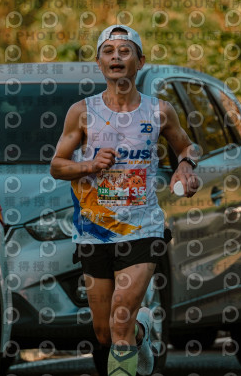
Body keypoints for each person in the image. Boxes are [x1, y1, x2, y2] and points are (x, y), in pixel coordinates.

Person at [50, 24, 200, 376]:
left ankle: (130, 338)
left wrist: (186, 168)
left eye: (124, 50)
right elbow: (57, 166)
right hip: (94, 231)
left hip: (142, 229)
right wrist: (89, 165)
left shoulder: (159, 111)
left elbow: (187, 147)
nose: (116, 56)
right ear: (99, 62)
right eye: (108, 51)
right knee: (104, 333)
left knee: (119, 322)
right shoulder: (82, 112)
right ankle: (142, 332)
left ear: (140, 61)